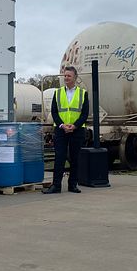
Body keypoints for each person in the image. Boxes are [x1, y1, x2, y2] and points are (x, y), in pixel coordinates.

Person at [43, 66, 89, 194]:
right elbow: (54, 112)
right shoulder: (57, 93)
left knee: (75, 158)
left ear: (75, 77)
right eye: (65, 75)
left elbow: (85, 114)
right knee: (59, 158)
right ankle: (56, 186)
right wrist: (62, 125)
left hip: (77, 130)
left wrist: (75, 126)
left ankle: (72, 185)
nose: (66, 78)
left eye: (68, 76)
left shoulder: (83, 93)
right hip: (61, 130)